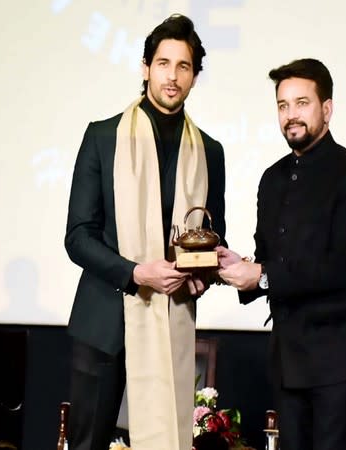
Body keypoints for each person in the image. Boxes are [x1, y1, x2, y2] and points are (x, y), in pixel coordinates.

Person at [64, 14, 226, 450]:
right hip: (103, 323)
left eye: (184, 66)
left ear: (195, 76)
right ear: (145, 67)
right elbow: (78, 236)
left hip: (172, 315)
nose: (172, 77)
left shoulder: (209, 150)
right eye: (163, 63)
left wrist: (202, 274)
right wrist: (137, 273)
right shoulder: (102, 137)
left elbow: (213, 235)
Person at [217, 58, 346, 450]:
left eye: (302, 103)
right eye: (282, 105)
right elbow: (268, 258)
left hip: (339, 363)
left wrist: (262, 275)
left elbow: (342, 266)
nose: (291, 115)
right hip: (288, 362)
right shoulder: (271, 179)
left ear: (327, 109)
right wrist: (238, 266)